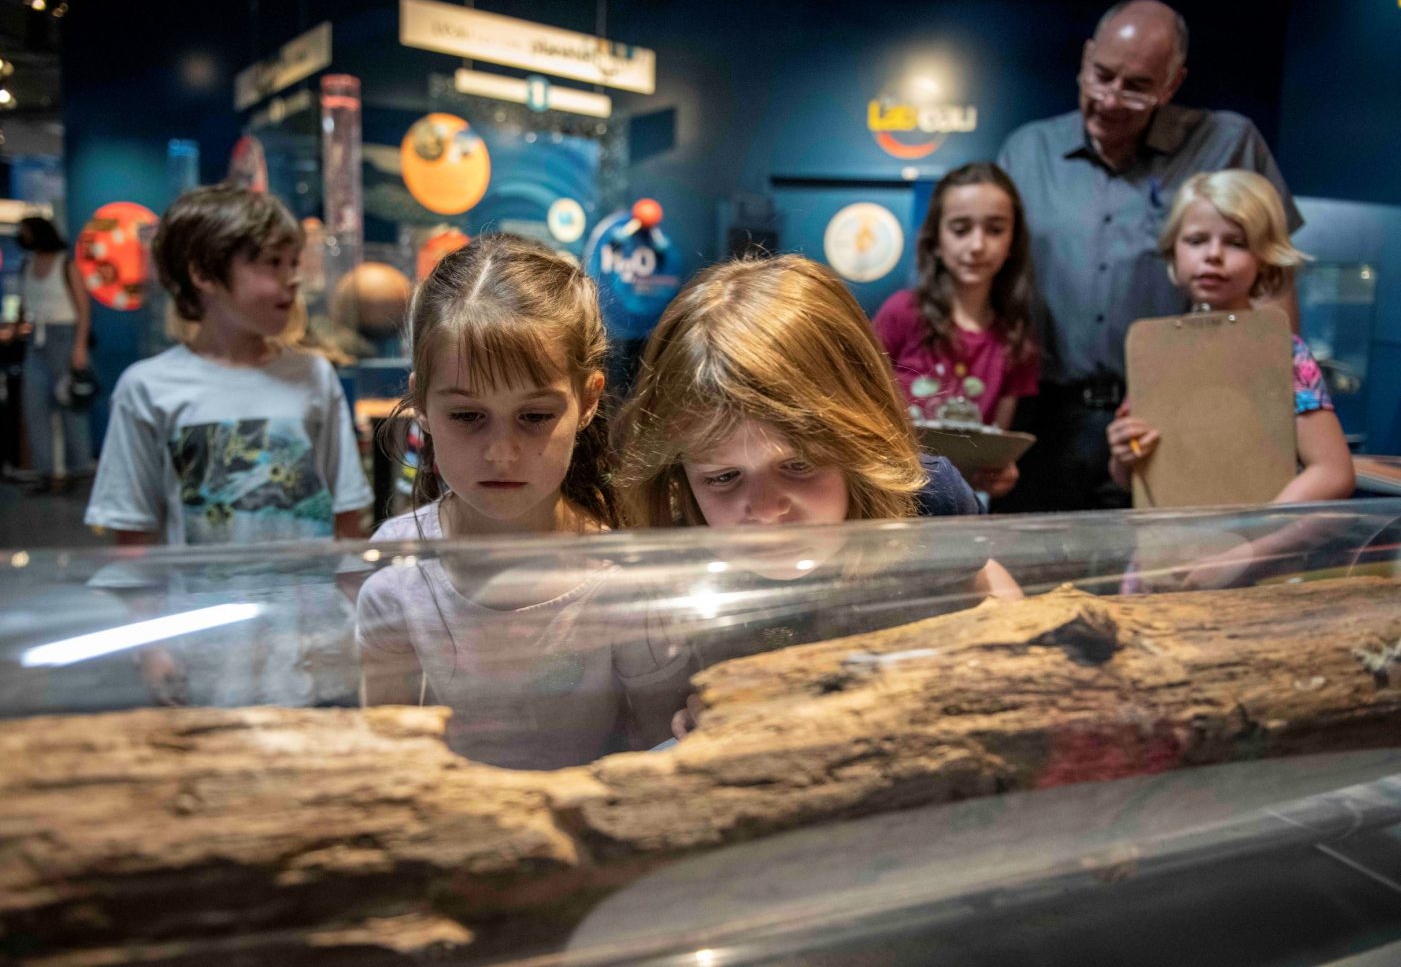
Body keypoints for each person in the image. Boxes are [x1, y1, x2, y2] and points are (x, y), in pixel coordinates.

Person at [612, 255, 1021, 736]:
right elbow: (666, 706)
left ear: (861, 439)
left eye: (799, 465)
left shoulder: (926, 501)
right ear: (679, 475)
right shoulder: (678, 538)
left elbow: (994, 607)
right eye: (723, 478)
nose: (766, 510)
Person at [355, 235, 689, 770]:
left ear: (588, 401)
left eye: (534, 416)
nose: (502, 453)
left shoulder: (630, 582)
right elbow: (389, 759)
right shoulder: (395, 574)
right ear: (422, 405)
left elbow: (662, 752)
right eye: (468, 416)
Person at [997, 0, 1301, 512]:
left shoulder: (1227, 143)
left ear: (1172, 84)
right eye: (1102, 75)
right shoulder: (1027, 151)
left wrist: (1269, 413)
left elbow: (1276, 280)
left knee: (1159, 560)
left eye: (1136, 86)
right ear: (1086, 58)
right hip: (1043, 416)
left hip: (1170, 410)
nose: (1111, 99)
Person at [85, 185, 370, 545]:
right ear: (204, 274)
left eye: (293, 262)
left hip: (311, 584)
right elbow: (133, 536)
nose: (294, 278)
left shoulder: (314, 374)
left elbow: (346, 516)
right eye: (273, 262)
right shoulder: (146, 388)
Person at [1107, 169, 1354, 504]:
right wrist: (1124, 453)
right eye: (1196, 240)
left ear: (1264, 258)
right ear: (1173, 250)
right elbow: (1131, 477)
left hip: (1260, 535)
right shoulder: (1155, 351)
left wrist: (1260, 530)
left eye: (1236, 243)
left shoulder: (1282, 353)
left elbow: (1332, 472)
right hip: (1170, 534)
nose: (1213, 255)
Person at [872, 162, 1039, 499]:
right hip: (889, 497)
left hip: (960, 507)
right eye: (960, 229)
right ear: (936, 238)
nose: (977, 245)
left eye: (995, 229)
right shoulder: (901, 313)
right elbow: (857, 407)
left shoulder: (1016, 339)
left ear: (1013, 241)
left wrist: (998, 474)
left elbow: (994, 448)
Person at [17, 215, 93, 493]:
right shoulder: (26, 265)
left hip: (64, 336)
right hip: (36, 338)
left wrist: (79, 346)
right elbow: (24, 305)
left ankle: (79, 469)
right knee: (35, 406)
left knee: (71, 406)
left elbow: (83, 308)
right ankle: (46, 471)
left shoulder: (66, 264)